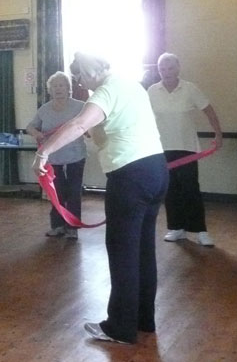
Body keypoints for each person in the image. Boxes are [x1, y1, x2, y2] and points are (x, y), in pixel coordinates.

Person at [32, 52, 168, 345]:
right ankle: (144, 320)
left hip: (130, 177)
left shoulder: (106, 91)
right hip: (156, 170)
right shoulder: (131, 85)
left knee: (123, 252)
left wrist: (44, 152)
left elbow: (79, 125)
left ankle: (120, 327)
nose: (81, 82)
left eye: (81, 75)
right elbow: (109, 128)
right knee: (143, 250)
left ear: (92, 70)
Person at [147, 53, 223, 247]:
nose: (166, 72)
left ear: (178, 68)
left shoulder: (190, 89)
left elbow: (209, 110)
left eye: (170, 68)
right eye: (162, 69)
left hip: (187, 148)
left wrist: (218, 134)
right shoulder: (152, 91)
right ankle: (176, 228)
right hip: (162, 149)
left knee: (191, 189)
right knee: (170, 189)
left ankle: (200, 231)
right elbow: (143, 117)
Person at [26, 71, 87, 240]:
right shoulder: (44, 109)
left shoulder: (80, 106)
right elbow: (30, 127)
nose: (58, 89)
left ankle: (72, 227)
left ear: (68, 88)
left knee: (74, 192)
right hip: (53, 158)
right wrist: (37, 134)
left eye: (61, 85)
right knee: (56, 192)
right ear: (50, 90)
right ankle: (58, 226)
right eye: (54, 86)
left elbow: (89, 126)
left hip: (76, 156)